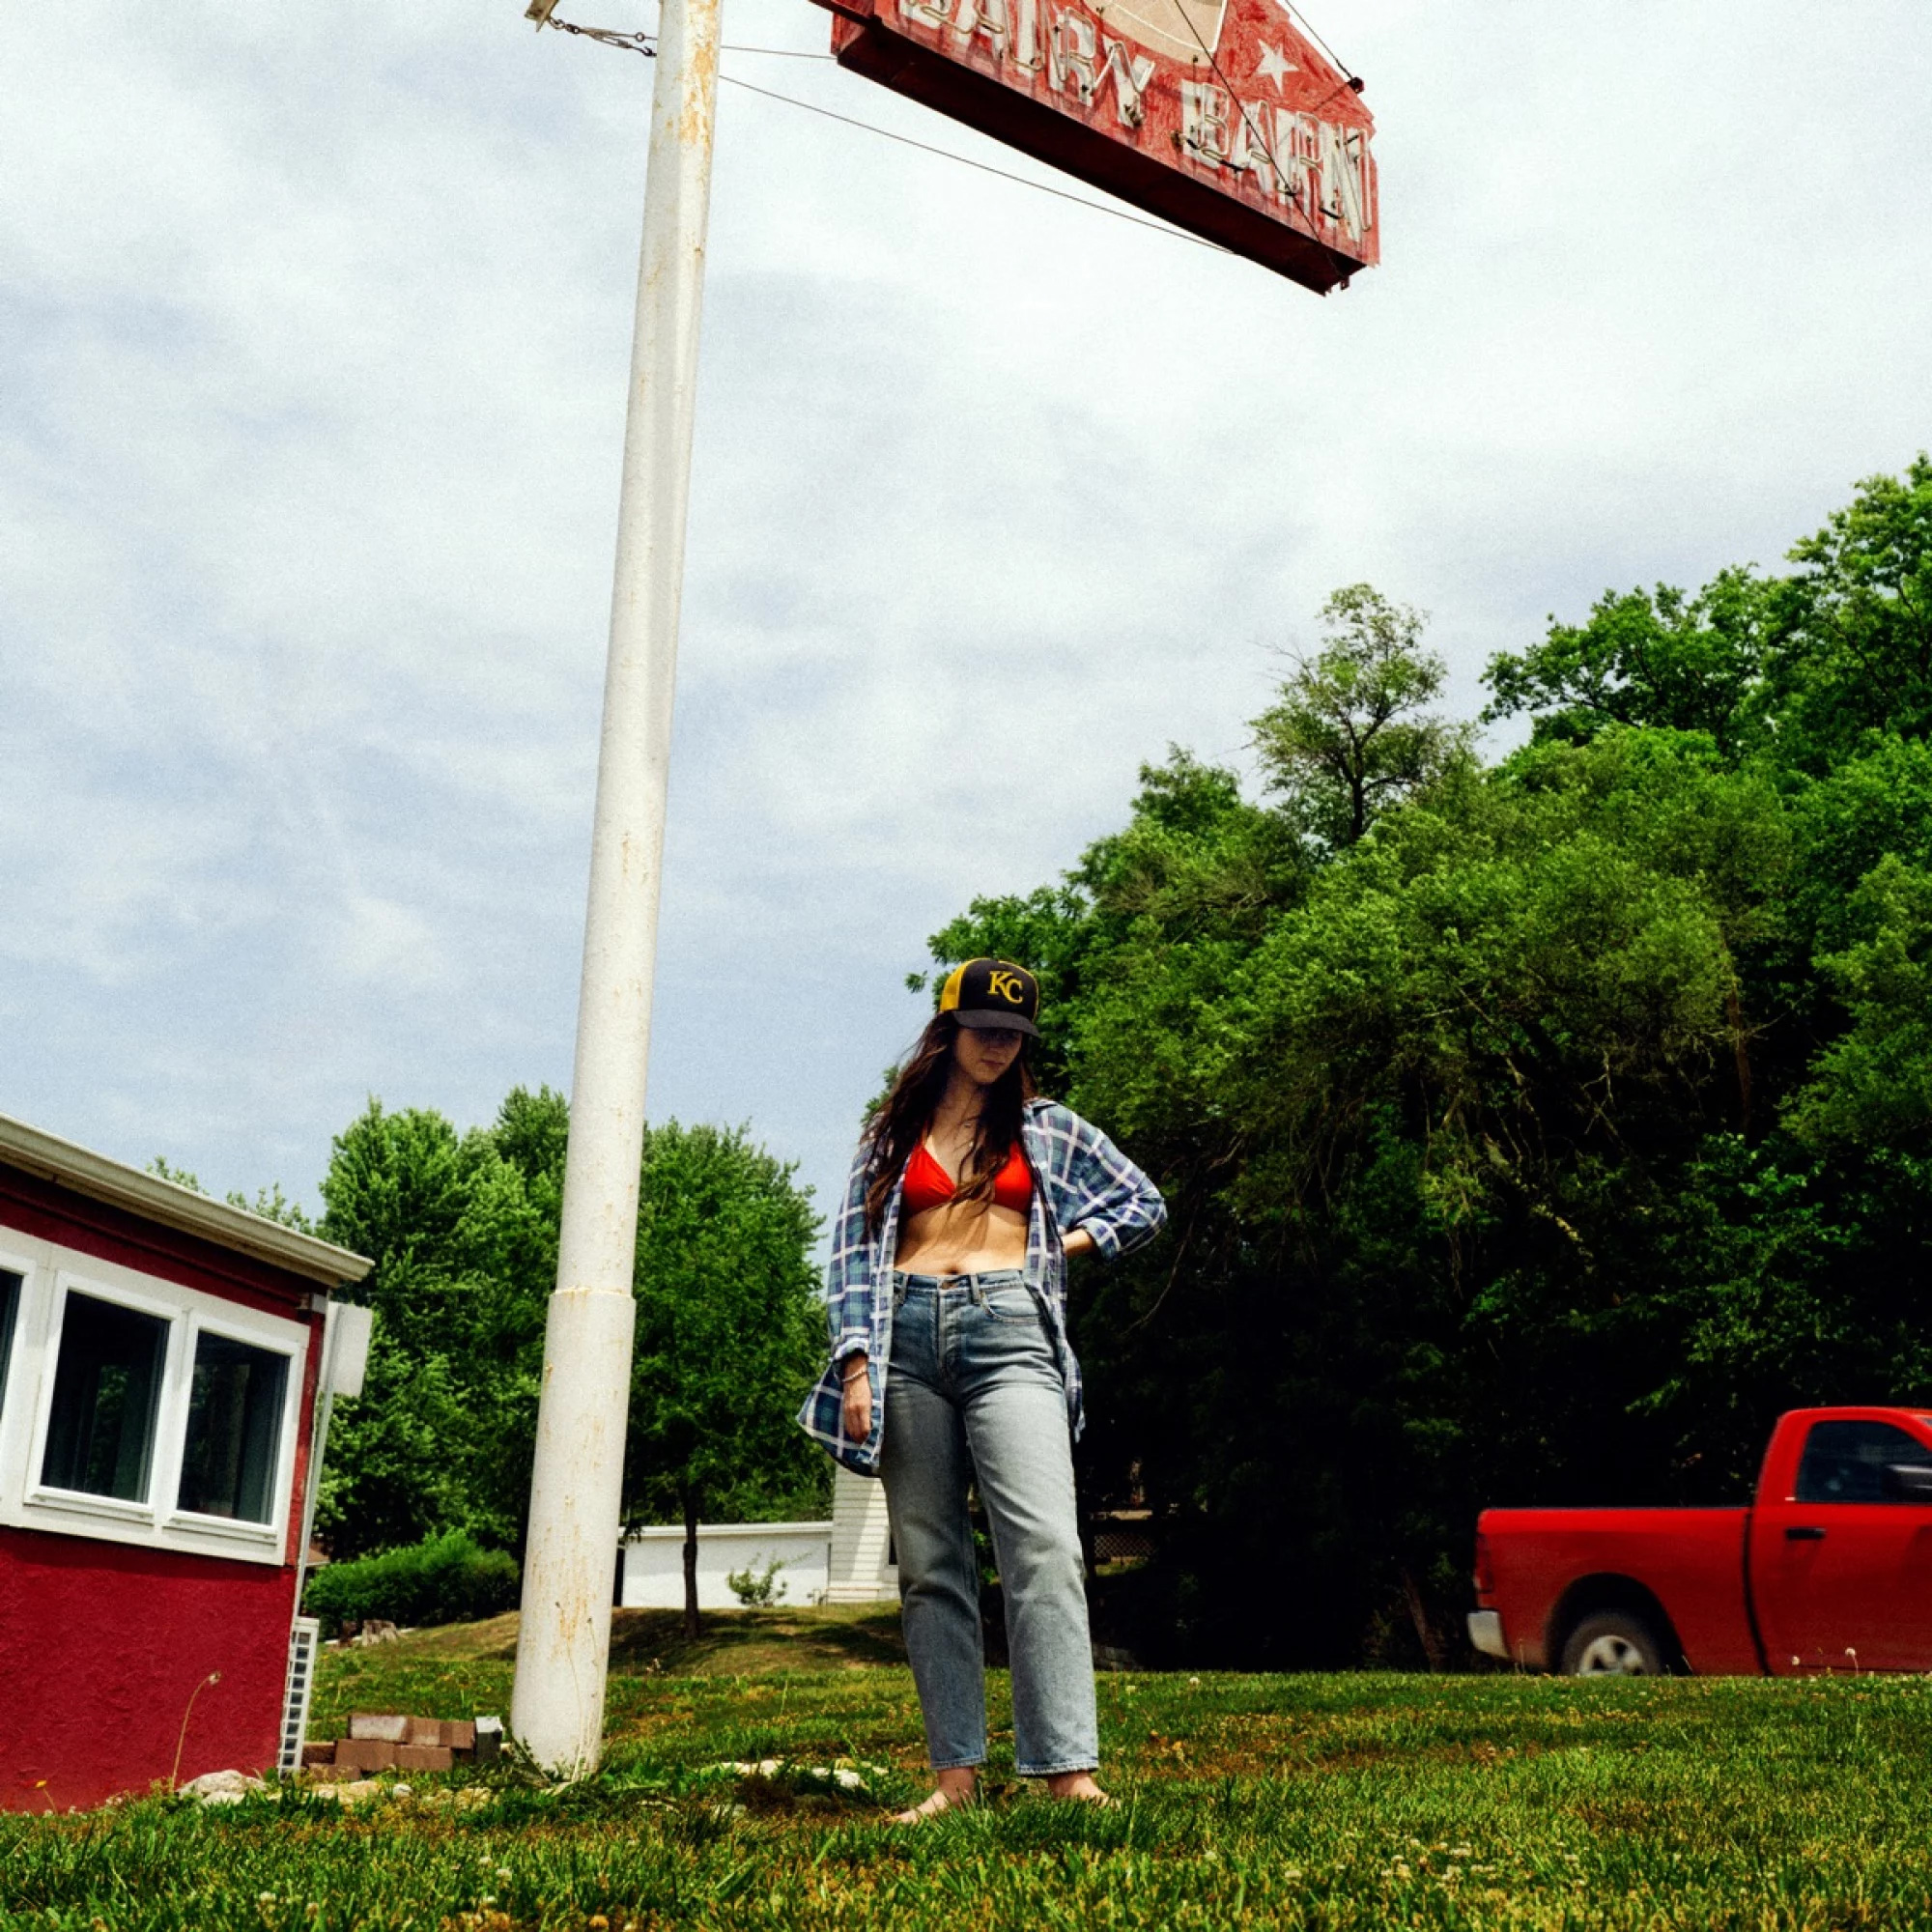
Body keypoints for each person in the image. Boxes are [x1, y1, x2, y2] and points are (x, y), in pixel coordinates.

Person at [798, 957, 1167, 1821]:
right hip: (903, 1338)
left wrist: (1059, 1249)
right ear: (949, 1032)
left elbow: (1142, 1203)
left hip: (1010, 1330)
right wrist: (856, 1365)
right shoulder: (888, 1137)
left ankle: (1067, 1772)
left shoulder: (1048, 1130)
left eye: (1014, 1035)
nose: (1000, 1046)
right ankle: (954, 1781)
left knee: (1044, 1546)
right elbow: (852, 1257)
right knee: (930, 1564)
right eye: (985, 1030)